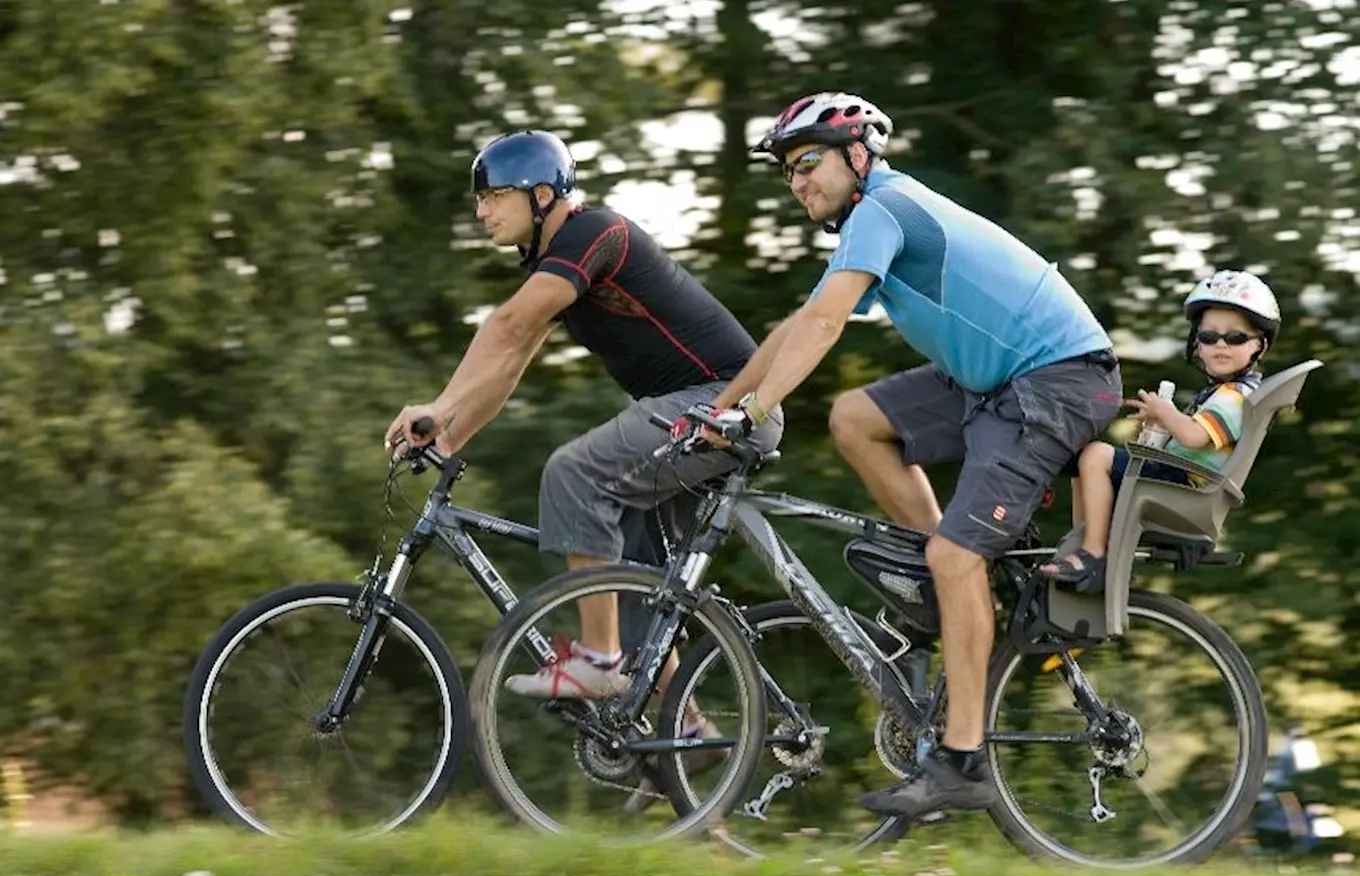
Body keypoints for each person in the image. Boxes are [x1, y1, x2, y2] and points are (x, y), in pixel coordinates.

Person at [694, 91, 1123, 822]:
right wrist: (718, 406)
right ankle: (945, 579)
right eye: (788, 173)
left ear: (858, 155)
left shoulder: (883, 211)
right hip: (991, 380)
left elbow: (828, 324)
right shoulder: (871, 219)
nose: (798, 182)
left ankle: (962, 762)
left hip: (1056, 380)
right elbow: (801, 322)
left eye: (808, 164)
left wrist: (756, 413)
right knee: (855, 418)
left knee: (957, 559)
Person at [384, 130, 783, 717]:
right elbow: (509, 365)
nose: (480, 210)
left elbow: (507, 328)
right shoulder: (559, 265)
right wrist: (448, 439)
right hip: (685, 420)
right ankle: (685, 736)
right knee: (636, 576)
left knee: (573, 473)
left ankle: (599, 663)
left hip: (726, 406)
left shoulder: (596, 233)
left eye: (493, 196)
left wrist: (438, 405)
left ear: (542, 194)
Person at [1039, 270, 1280, 591]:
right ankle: (1085, 539)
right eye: (1209, 337)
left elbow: (1194, 437)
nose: (1220, 345)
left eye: (1235, 337)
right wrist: (1162, 424)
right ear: (1197, 344)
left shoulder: (1235, 397)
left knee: (1096, 455)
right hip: (1179, 478)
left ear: (1259, 347)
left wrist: (1166, 413)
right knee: (1083, 461)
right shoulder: (1228, 394)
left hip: (1184, 488)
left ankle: (1094, 554)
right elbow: (1196, 437)